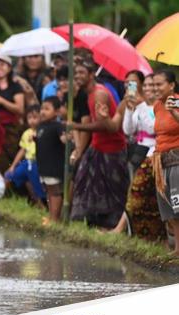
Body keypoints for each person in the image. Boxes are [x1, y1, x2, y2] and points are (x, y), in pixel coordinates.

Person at [69, 60, 128, 229]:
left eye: (81, 73)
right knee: (83, 183)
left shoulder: (99, 94)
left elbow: (103, 126)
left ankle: (114, 226)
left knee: (113, 189)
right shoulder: (87, 93)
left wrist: (76, 126)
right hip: (97, 147)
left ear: (91, 74)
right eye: (76, 73)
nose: (78, 76)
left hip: (112, 149)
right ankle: (87, 223)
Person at [106, 72, 164, 241]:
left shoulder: (161, 105)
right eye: (145, 85)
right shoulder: (140, 106)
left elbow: (153, 128)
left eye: (152, 85)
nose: (148, 89)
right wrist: (131, 109)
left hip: (154, 153)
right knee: (135, 193)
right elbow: (128, 130)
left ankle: (123, 229)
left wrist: (143, 108)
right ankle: (134, 233)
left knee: (142, 194)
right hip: (137, 152)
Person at [151, 70, 179, 255]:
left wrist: (174, 112)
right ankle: (177, 248)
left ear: (171, 85)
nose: (155, 88)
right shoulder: (157, 105)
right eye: (154, 85)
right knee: (170, 210)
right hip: (163, 161)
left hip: (177, 161)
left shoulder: (177, 102)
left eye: (159, 84)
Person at [5, 104, 46, 205]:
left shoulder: (44, 131)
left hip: (38, 162)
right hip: (27, 162)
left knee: (37, 184)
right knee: (9, 175)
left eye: (35, 117)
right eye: (29, 118)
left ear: (41, 117)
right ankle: (7, 197)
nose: (32, 120)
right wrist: (13, 166)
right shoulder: (26, 133)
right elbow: (22, 150)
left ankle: (41, 203)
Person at [35, 97, 67, 222]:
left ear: (57, 112)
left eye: (47, 109)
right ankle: (51, 216)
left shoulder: (57, 126)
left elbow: (63, 139)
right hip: (43, 166)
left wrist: (66, 138)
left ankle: (55, 218)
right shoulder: (41, 126)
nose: (43, 111)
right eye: (42, 108)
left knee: (55, 192)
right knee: (48, 191)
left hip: (53, 166)